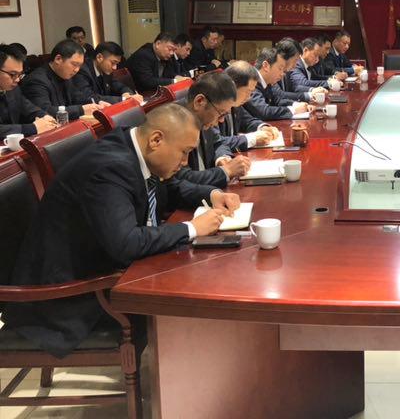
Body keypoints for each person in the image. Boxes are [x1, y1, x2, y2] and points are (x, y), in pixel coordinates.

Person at [0, 103, 239, 357]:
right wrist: (191, 228)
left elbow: (170, 187)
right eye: (184, 152)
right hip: (66, 301)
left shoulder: (133, 144)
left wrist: (212, 194)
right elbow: (126, 244)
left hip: (100, 266)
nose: (184, 162)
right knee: (190, 301)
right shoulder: (109, 168)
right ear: (156, 140)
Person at [175, 72, 251, 189]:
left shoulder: (203, 117)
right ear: (199, 101)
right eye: (221, 114)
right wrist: (226, 171)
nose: (221, 121)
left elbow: (217, 143)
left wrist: (222, 158)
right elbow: (181, 178)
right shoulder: (173, 125)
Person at [20, 39, 104, 121]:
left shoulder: (65, 75)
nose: (77, 70)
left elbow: (78, 97)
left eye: (79, 66)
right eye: (74, 64)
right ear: (58, 59)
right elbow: (45, 112)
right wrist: (81, 110)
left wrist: (98, 102)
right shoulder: (37, 80)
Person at [216, 61, 281, 155]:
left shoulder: (236, 104)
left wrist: (262, 127)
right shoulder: (213, 105)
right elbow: (216, 142)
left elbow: (247, 121)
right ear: (233, 86)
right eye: (248, 91)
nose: (249, 97)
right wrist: (253, 139)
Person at [0, 44, 57, 138]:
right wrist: (33, 128)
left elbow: (28, 108)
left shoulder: (13, 89)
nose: (17, 80)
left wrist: (45, 117)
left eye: (20, 74)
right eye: (12, 74)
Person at [244, 47, 308, 123]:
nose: (282, 74)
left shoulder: (267, 81)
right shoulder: (251, 80)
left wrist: (297, 105)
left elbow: (277, 101)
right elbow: (263, 111)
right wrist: (293, 110)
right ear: (266, 66)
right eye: (280, 69)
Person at [72, 41, 143, 105]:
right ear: (99, 57)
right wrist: (123, 99)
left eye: (117, 63)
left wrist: (127, 93)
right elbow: (89, 97)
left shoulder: (106, 70)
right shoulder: (82, 71)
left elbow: (118, 86)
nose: (115, 67)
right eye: (113, 63)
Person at [125, 32, 190, 92]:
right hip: (137, 93)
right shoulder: (144, 55)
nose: (172, 53)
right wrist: (174, 81)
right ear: (158, 44)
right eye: (170, 49)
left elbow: (169, 73)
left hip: (153, 92)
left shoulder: (165, 56)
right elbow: (148, 81)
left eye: (174, 50)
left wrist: (177, 77)